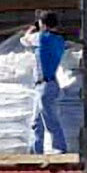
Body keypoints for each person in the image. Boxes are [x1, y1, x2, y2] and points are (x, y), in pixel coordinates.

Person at [30, 10, 69, 154]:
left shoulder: (41, 38)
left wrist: (31, 29)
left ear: (43, 23)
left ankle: (59, 148)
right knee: (36, 122)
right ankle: (35, 150)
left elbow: (24, 40)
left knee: (49, 119)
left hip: (44, 85)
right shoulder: (59, 40)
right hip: (49, 84)